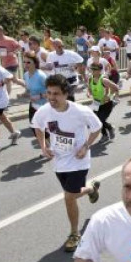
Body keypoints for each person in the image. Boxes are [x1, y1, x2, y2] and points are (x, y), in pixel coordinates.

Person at [32, 74, 102, 251]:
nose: (51, 98)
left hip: (79, 160)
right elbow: (37, 127)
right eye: (48, 93)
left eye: (55, 94)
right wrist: (43, 146)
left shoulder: (80, 111)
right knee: (73, 193)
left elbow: (97, 127)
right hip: (59, 160)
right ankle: (91, 188)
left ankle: (74, 233)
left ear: (65, 94)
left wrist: (86, 146)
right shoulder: (44, 111)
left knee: (69, 197)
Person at [86, 62, 119, 143]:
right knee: (97, 121)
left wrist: (109, 95)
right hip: (96, 103)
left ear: (100, 70)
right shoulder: (91, 79)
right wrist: (88, 93)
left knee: (100, 120)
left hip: (106, 104)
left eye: (95, 69)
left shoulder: (103, 79)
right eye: (92, 69)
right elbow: (89, 89)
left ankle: (110, 128)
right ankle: (105, 135)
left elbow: (116, 87)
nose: (92, 71)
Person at [12, 53, 47, 126]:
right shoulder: (26, 75)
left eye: (28, 62)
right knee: (34, 127)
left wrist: (39, 96)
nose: (25, 64)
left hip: (44, 106)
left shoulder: (41, 76)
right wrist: (24, 94)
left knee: (45, 130)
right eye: (24, 62)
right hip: (33, 105)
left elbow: (52, 92)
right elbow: (28, 88)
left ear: (35, 63)